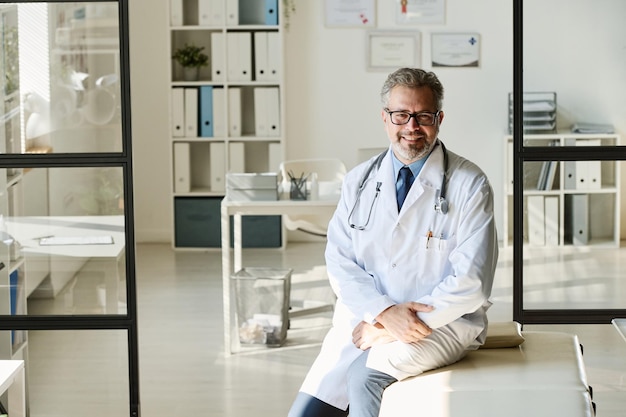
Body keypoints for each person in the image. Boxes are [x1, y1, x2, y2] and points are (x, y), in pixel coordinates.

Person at [287, 68, 499, 417]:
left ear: (439, 119)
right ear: (385, 118)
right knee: (306, 414)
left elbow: (471, 283)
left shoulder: (469, 184)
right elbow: (340, 262)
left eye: (423, 116)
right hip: (364, 321)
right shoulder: (359, 181)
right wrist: (384, 314)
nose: (412, 126)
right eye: (401, 115)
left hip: (443, 323)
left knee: (364, 378)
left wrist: (397, 325)